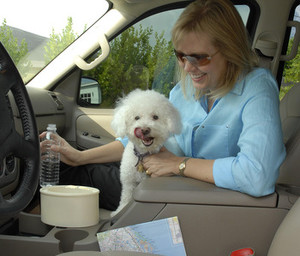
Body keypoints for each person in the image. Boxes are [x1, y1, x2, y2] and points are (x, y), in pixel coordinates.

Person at [40, 0, 285, 211]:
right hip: (167, 184)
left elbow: (257, 175)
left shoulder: (257, 88)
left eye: (199, 57)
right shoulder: (183, 90)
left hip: (206, 200)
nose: (188, 68)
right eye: (180, 56)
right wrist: (80, 157)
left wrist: (180, 165)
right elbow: (138, 137)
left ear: (230, 50)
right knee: (73, 172)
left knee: (85, 179)